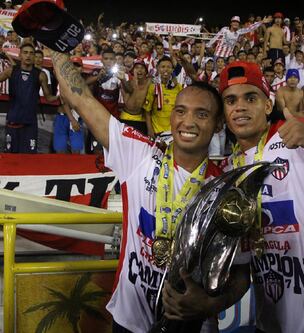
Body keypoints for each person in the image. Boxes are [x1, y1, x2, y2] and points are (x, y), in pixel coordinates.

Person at [50, 49, 251, 333]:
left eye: (202, 114)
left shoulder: (226, 191)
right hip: (128, 323)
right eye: (180, 111)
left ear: (218, 124)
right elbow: (81, 99)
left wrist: (209, 305)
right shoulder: (140, 155)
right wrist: (55, 49)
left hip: (192, 326)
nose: (188, 122)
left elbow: (242, 272)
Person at [218, 60, 304, 333]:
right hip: (269, 323)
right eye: (230, 100)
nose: (240, 107)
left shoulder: (301, 135)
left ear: (268, 105)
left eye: (251, 97)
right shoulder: (230, 169)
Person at [0, 43, 58, 153]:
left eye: (31, 53)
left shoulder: (40, 75)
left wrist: (61, 97)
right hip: (13, 121)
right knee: (11, 157)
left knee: (29, 157)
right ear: (20, 55)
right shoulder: (11, 71)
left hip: (30, 124)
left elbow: (49, 97)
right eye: (25, 52)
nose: (28, 56)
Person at [143, 56, 182, 139]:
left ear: (172, 69)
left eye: (169, 67)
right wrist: (150, 130)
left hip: (173, 131)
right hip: (157, 131)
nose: (166, 69)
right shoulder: (153, 87)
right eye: (163, 67)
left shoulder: (178, 87)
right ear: (158, 68)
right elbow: (147, 111)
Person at [119, 59, 151, 135]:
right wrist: (133, 83)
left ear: (146, 72)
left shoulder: (150, 82)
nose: (139, 70)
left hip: (142, 119)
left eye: (142, 68)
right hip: (126, 118)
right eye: (137, 68)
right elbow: (130, 105)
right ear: (133, 71)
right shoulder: (127, 84)